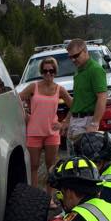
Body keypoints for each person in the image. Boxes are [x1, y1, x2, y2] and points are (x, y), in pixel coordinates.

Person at [17, 57, 72, 201]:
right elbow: (17, 100)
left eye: (51, 70)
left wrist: (64, 122)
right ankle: (35, 199)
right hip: (34, 132)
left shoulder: (59, 89)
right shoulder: (33, 87)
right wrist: (26, 115)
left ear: (55, 71)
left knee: (51, 167)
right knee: (33, 167)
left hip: (51, 133)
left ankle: (49, 199)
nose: (48, 74)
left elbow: (74, 104)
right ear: (41, 72)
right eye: (45, 71)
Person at [63, 39, 107, 149]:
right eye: (70, 57)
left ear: (85, 51)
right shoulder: (78, 71)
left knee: (84, 161)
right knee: (74, 159)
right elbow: (77, 100)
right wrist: (67, 120)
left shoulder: (95, 70)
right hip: (75, 121)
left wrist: (94, 123)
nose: (73, 60)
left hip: (87, 121)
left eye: (76, 56)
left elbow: (102, 97)